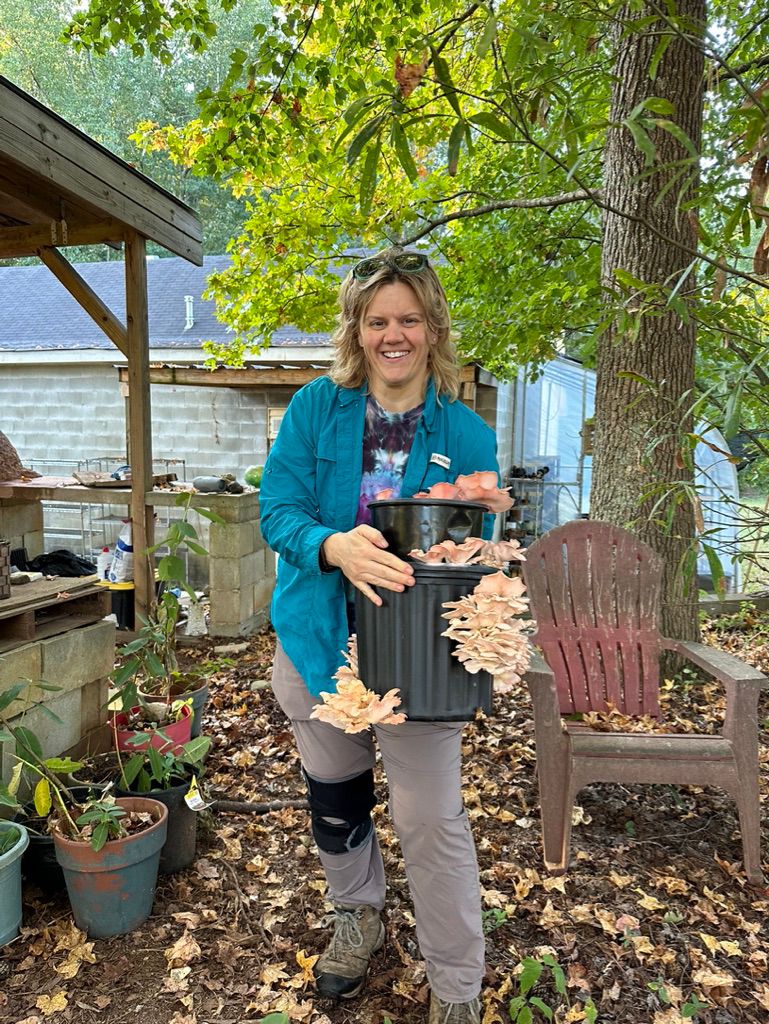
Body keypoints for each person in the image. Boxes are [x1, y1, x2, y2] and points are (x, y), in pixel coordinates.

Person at [259, 248, 500, 1024]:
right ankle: (357, 912)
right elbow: (278, 512)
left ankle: (457, 983)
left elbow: (479, 540)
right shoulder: (314, 410)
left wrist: (470, 551)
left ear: (431, 329)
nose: (392, 335)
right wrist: (333, 544)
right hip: (319, 636)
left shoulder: (462, 432)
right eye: (376, 321)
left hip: (419, 656)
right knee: (335, 796)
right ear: (356, 331)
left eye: (408, 319)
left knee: (430, 817)